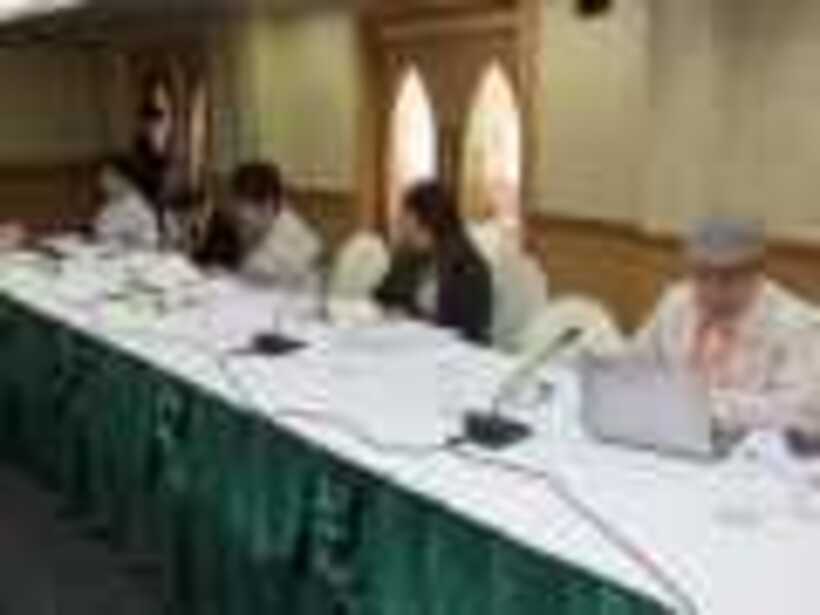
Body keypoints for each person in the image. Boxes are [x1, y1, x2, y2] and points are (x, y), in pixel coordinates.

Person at [636, 216, 820, 437]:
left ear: (758, 272)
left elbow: (802, 413)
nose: (712, 291)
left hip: (747, 447)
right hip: (672, 432)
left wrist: (704, 404)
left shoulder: (799, 324)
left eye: (728, 278)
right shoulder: (676, 301)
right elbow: (635, 365)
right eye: (701, 275)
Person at [374, 181, 492, 344]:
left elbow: (467, 331)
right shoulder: (409, 256)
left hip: (451, 351)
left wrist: (413, 319)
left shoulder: (467, 267)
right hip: (412, 342)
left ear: (420, 220)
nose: (400, 225)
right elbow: (383, 297)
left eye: (404, 218)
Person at [230, 162, 322, 290]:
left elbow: (260, 274)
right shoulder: (268, 224)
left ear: (268, 204)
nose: (238, 214)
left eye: (244, 205)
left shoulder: (294, 238)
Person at [93, 156, 160, 250]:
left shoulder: (137, 204)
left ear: (124, 178)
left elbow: (150, 239)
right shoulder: (111, 203)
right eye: (102, 177)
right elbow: (102, 230)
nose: (104, 182)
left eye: (110, 177)